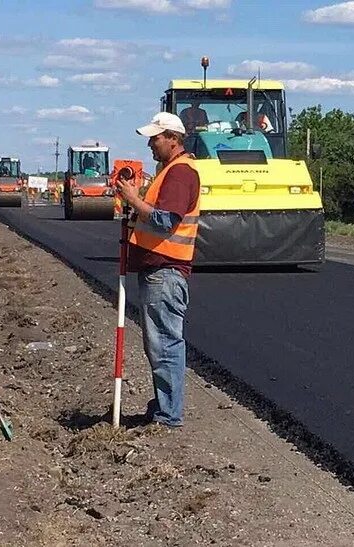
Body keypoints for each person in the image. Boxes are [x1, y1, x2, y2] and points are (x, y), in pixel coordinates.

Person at [115, 112, 200, 428]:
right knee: (159, 344)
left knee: (164, 344)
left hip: (166, 270)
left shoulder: (179, 174)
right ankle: (165, 406)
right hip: (158, 269)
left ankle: (168, 416)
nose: (150, 144)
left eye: (155, 137)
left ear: (173, 139)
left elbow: (166, 221)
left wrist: (135, 200)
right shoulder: (169, 172)